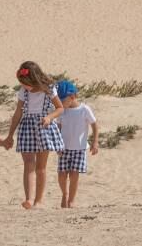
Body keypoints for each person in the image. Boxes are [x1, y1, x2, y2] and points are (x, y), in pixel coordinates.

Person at [2, 61, 64, 209]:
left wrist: (49, 117)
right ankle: (29, 199)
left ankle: (39, 200)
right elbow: (18, 112)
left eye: (26, 83)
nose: (24, 86)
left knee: (41, 168)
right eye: (22, 83)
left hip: (44, 128)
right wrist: (10, 134)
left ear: (34, 79)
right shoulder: (23, 91)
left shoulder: (49, 89)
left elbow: (60, 108)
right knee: (28, 164)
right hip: (27, 128)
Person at [55, 80, 99, 208]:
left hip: (79, 149)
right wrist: (57, 144)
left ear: (72, 97)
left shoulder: (84, 109)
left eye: (63, 100)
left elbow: (95, 125)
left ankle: (72, 200)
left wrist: (95, 142)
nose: (60, 103)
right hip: (64, 148)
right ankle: (65, 194)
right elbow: (58, 127)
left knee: (74, 175)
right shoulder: (62, 111)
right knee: (62, 175)